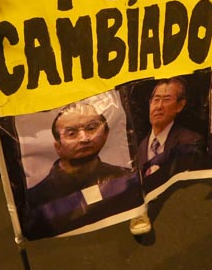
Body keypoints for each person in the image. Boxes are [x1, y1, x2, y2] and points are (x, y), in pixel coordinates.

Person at [24, 102, 139, 238]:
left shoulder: (125, 177)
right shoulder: (36, 199)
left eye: (91, 128)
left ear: (106, 133)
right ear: (57, 146)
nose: (85, 139)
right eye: (71, 133)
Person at [130, 77, 204, 235]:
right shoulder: (138, 149)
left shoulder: (190, 141)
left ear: (180, 105)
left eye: (166, 99)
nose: (158, 106)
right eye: (155, 100)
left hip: (179, 221)